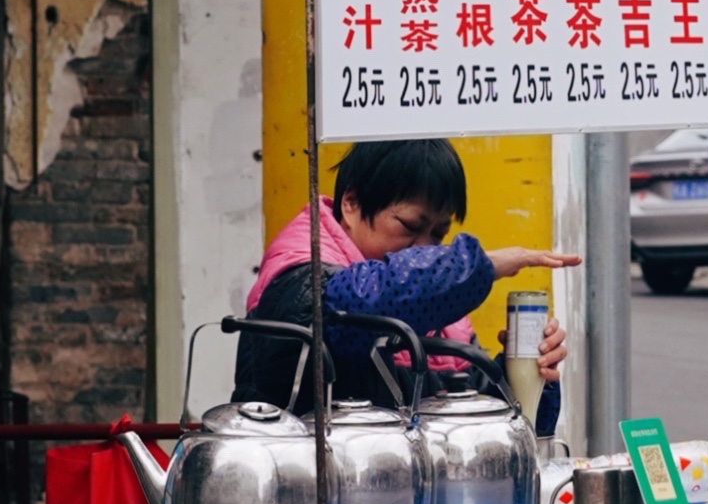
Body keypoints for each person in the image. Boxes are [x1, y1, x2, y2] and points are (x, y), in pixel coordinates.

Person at [236, 138, 575, 431]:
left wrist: (525, 377)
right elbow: (363, 302)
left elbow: (485, 430)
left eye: (438, 234)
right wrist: (479, 267)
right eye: (410, 226)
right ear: (351, 204)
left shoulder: (442, 310)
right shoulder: (300, 277)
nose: (424, 249)